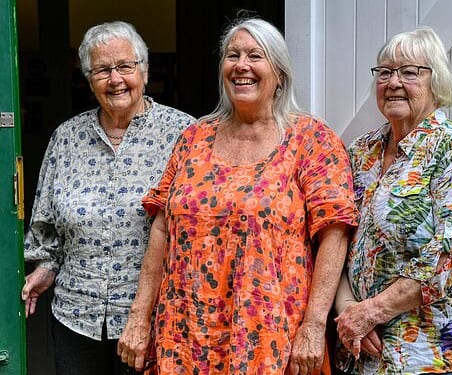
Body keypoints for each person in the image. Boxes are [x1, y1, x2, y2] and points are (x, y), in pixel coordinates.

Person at [117, 18, 358, 375]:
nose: (241, 65)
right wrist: (139, 317)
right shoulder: (194, 137)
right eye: (233, 55)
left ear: (278, 71)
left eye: (255, 55)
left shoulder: (310, 139)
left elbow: (334, 233)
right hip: (184, 333)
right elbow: (162, 230)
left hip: (269, 336)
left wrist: (314, 324)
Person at [20, 21, 195, 375]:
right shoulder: (66, 138)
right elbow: (46, 222)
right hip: (75, 316)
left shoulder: (184, 134)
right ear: (89, 80)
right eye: (102, 70)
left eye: (125, 67)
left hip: (154, 318)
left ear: (144, 71)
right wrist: (45, 266)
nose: (115, 79)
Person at [333, 26, 452, 375]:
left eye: (409, 72)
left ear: (435, 83)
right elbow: (338, 239)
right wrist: (349, 309)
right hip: (367, 352)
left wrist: (371, 311)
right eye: (385, 72)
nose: (393, 82)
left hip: (435, 355)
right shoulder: (361, 152)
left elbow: (450, 254)